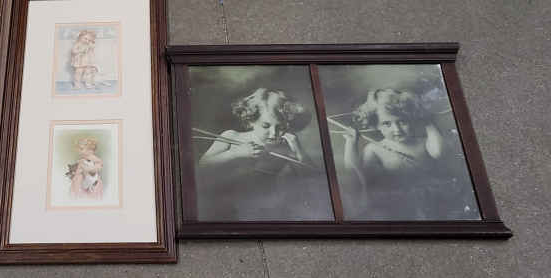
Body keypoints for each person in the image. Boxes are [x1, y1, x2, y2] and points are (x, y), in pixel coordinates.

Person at [340, 88, 464, 219]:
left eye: (402, 122)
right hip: (400, 205)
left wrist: (428, 123)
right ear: (376, 125)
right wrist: (351, 143)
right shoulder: (375, 149)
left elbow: (439, 152)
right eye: (387, 124)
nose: (396, 129)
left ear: (412, 119)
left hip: (434, 199)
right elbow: (355, 173)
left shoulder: (424, 142)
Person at [196, 88, 315, 220]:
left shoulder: (285, 146)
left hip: (264, 208)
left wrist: (298, 149)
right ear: (250, 121)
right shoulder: (232, 137)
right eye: (266, 126)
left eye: (281, 127)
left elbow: (310, 176)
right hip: (227, 204)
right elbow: (202, 166)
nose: (273, 133)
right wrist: (234, 153)